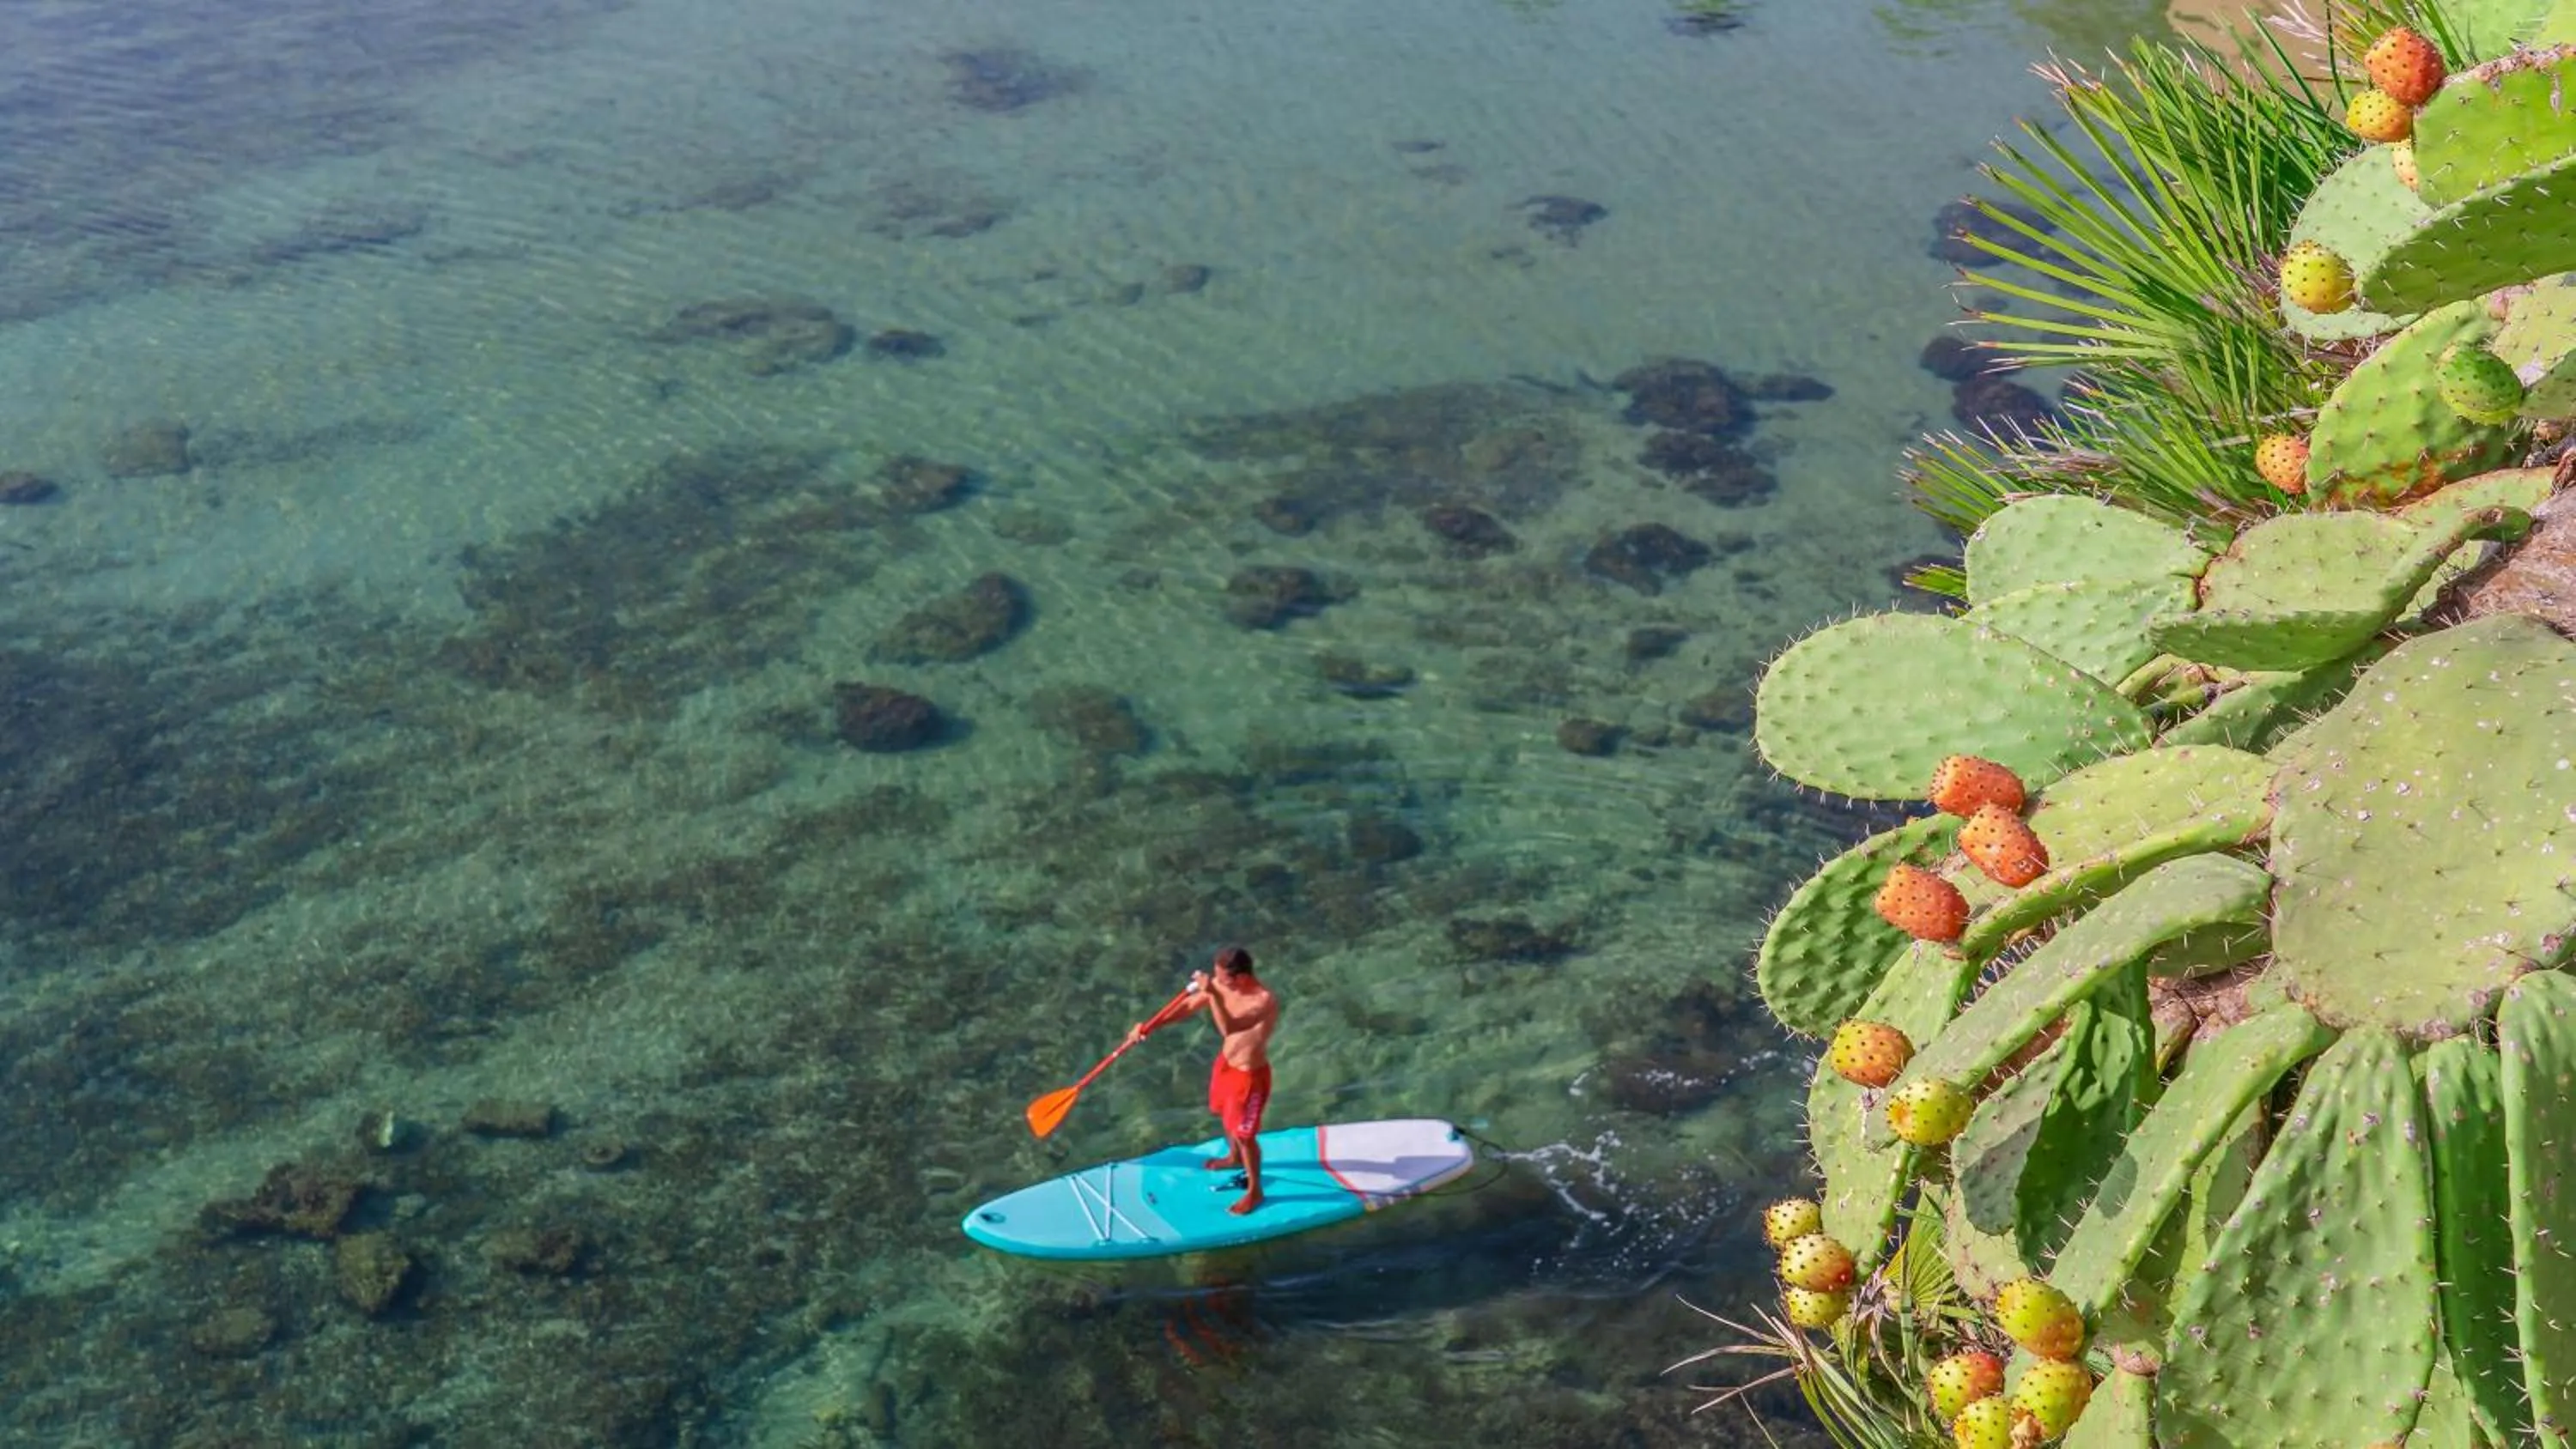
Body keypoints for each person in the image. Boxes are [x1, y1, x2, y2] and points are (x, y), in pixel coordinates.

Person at [1127, 946, 1280, 1215]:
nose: (1219, 982)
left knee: (1246, 1136)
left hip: (1250, 1077)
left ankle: (1255, 1192)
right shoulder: (1220, 986)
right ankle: (1233, 1159)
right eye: (1217, 976)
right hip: (1226, 1067)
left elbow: (1230, 1027)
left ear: (1242, 978)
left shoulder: (1263, 1001)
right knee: (1224, 1115)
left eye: (1224, 978)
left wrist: (1211, 993)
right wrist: (1150, 1026)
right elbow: (1187, 1006)